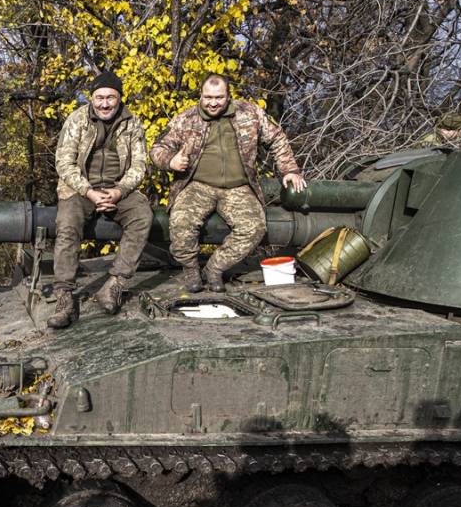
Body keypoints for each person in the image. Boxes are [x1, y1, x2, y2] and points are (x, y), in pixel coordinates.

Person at [150, 74, 305, 292]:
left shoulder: (250, 113)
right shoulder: (186, 119)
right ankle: (191, 270)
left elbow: (277, 138)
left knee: (254, 227)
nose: (213, 103)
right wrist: (171, 161)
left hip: (238, 187)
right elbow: (158, 149)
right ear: (201, 96)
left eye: (219, 97)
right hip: (197, 185)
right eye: (208, 97)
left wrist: (289, 170)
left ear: (228, 96)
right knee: (181, 223)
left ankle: (214, 268)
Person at [50, 70, 153, 329]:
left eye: (110, 97)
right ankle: (64, 295)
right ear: (92, 98)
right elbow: (64, 162)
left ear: (119, 98)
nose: (104, 103)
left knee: (143, 217)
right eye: (99, 97)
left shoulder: (132, 123)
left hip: (118, 188)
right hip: (81, 188)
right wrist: (89, 192)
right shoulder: (77, 120)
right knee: (67, 223)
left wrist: (120, 191)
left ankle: (115, 284)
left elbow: (140, 164)